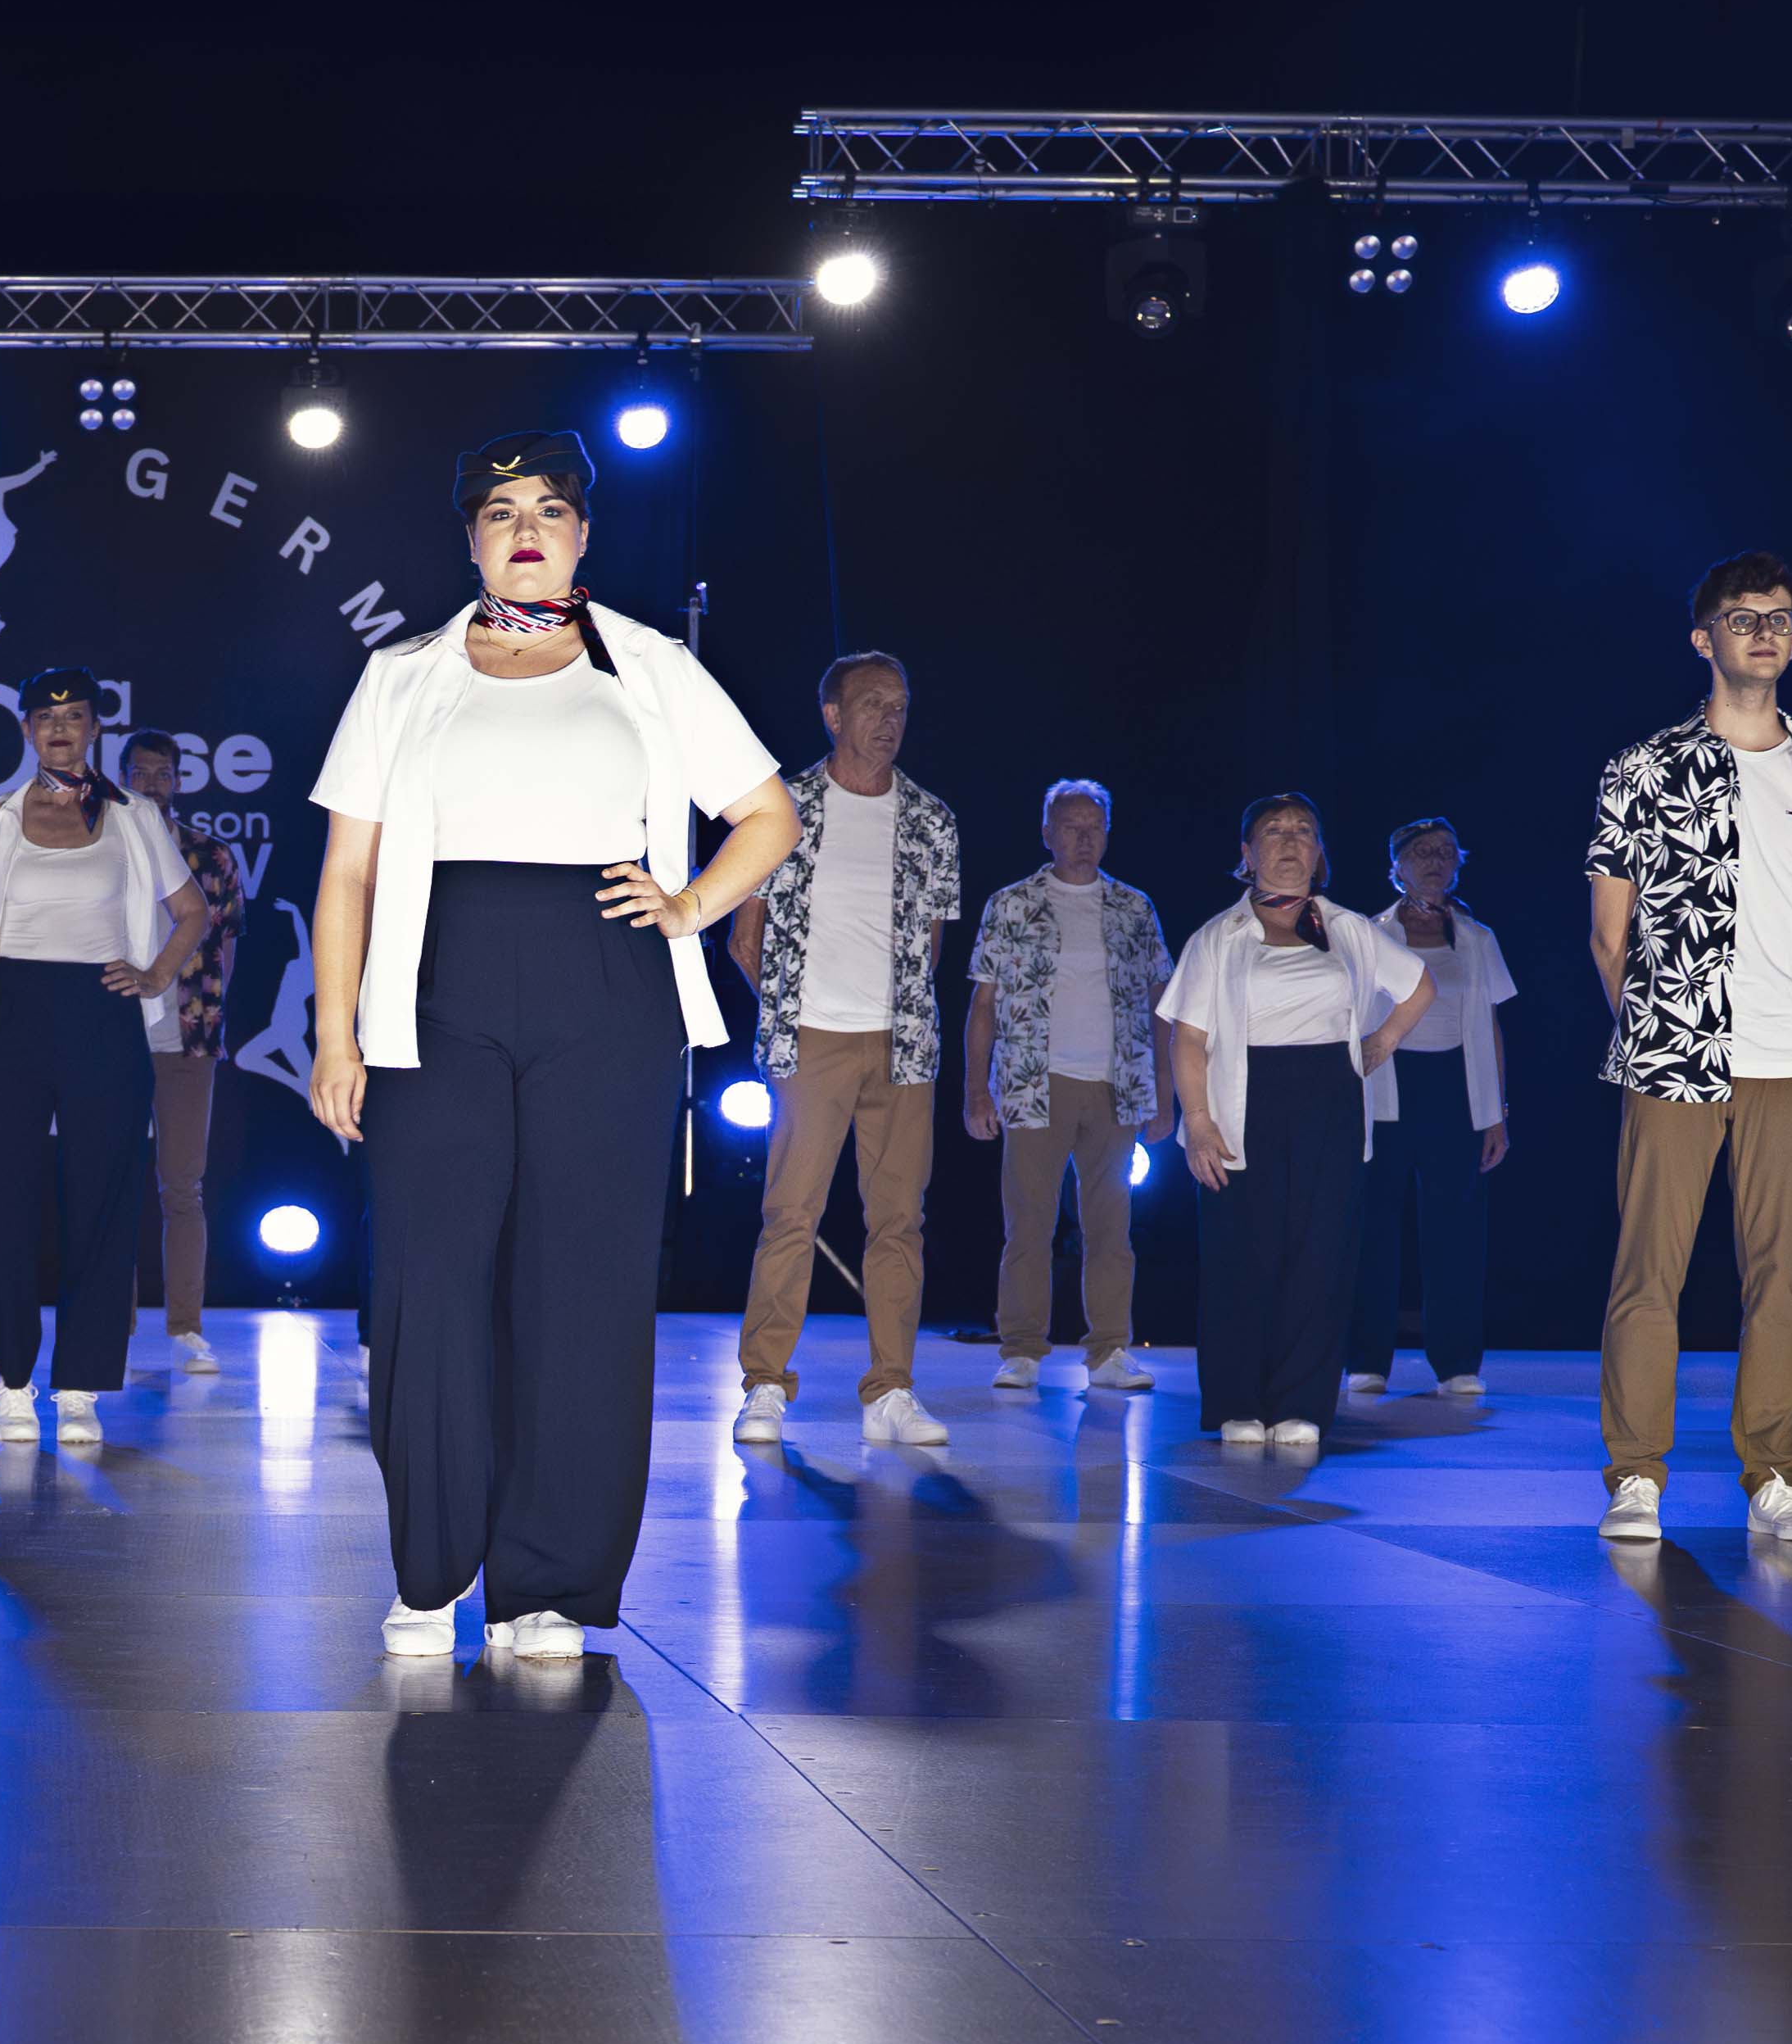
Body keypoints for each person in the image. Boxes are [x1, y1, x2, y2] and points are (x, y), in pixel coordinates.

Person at [305, 428, 797, 1660]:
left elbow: (767, 815)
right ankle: (429, 1571)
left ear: (583, 533)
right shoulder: (402, 673)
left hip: (605, 980)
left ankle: (549, 1584)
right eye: (499, 508)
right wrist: (331, 1031)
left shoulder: (650, 667)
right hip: (434, 982)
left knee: (582, 1283)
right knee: (428, 1278)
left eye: (550, 508)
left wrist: (687, 905)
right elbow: (347, 870)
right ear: (468, 534)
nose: (525, 526)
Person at [1586, 551, 1792, 1550]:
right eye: (1743, 616)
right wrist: (1653, 1027)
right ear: (1702, 636)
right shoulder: (1645, 767)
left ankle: (1776, 1474)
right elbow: (1606, 931)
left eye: (1781, 618)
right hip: (1675, 1054)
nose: (1765, 631)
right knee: (1646, 1274)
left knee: (1784, 1277)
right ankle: (1634, 1474)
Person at [0, 668, 209, 1445]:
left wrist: (155, 972)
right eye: (46, 718)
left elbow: (188, 911)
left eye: (76, 716)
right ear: (26, 731)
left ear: (96, 730)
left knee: (104, 1195)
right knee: (2, 1203)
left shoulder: (131, 817)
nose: (60, 728)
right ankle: (14, 1378)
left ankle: (82, 1382)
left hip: (100, 1011)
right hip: (7, 1019)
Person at [723, 652, 961, 1447]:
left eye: (899, 704)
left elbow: (928, 947)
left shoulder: (932, 818)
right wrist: (794, 1013)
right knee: (790, 1214)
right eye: (870, 703)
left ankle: (890, 1388)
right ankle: (763, 1383)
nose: (888, 718)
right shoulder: (782, 807)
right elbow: (743, 939)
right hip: (810, 1040)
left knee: (898, 1220)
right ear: (831, 714)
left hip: (901, 1048)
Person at [1161, 797, 1436, 1453]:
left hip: (1329, 1100)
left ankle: (1300, 1403)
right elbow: (1188, 1036)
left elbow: (1419, 986)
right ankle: (1236, 1402)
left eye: (1303, 832)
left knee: (1319, 1254)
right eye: (1273, 832)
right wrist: (1196, 1122)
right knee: (1241, 1254)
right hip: (1241, 1100)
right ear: (1246, 855)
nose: (1289, 842)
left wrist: (1380, 1043)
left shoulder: (1348, 928)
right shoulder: (1217, 936)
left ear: (1319, 854)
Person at [968, 779, 1165, 1395]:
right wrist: (976, 1091)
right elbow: (983, 1003)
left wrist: (1168, 1091)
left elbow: (1163, 1003)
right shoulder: (1010, 903)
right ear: (1046, 832)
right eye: (1070, 826)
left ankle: (1108, 1350)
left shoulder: (1134, 908)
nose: (1083, 838)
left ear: (1107, 832)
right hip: (1034, 1084)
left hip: (1116, 1085)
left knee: (1110, 1227)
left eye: (1094, 826)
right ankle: (1022, 1348)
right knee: (1028, 1224)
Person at [1343, 817, 1514, 1403]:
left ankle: (1456, 1362)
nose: (1434, 862)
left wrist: (1496, 1113)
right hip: (1386, 1087)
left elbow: (1490, 1025)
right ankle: (1366, 1359)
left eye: (1444, 852)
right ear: (1394, 865)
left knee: (1456, 1231)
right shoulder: (1367, 935)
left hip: (1455, 1091)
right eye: (1420, 853)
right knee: (1374, 1229)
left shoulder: (1476, 938)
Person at [119, 730, 250, 1373]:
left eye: (162, 773)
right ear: (120, 778)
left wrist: (208, 1018)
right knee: (108, 1183)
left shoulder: (210, 855)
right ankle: (108, 1325)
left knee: (182, 1186)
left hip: (186, 1037)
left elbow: (225, 946)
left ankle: (185, 1328)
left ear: (178, 781)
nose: (151, 783)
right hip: (111, 1035)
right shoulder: (100, 847)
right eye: (139, 773)